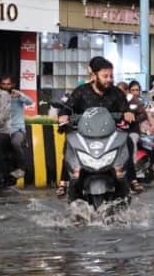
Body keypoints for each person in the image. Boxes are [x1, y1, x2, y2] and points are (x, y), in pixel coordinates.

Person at [56, 57, 139, 196]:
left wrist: (128, 114)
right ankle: (64, 181)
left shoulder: (117, 93)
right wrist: (63, 115)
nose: (109, 79)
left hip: (111, 136)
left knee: (128, 142)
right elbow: (67, 108)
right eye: (105, 76)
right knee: (69, 145)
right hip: (84, 136)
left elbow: (126, 109)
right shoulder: (81, 91)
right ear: (94, 76)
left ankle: (131, 178)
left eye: (111, 76)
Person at [0, 75, 32, 180]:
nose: (5, 86)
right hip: (2, 130)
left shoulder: (17, 94)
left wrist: (19, 96)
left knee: (16, 143)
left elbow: (30, 102)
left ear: (12, 85)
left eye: (8, 84)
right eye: (3, 84)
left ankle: (22, 168)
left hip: (17, 129)